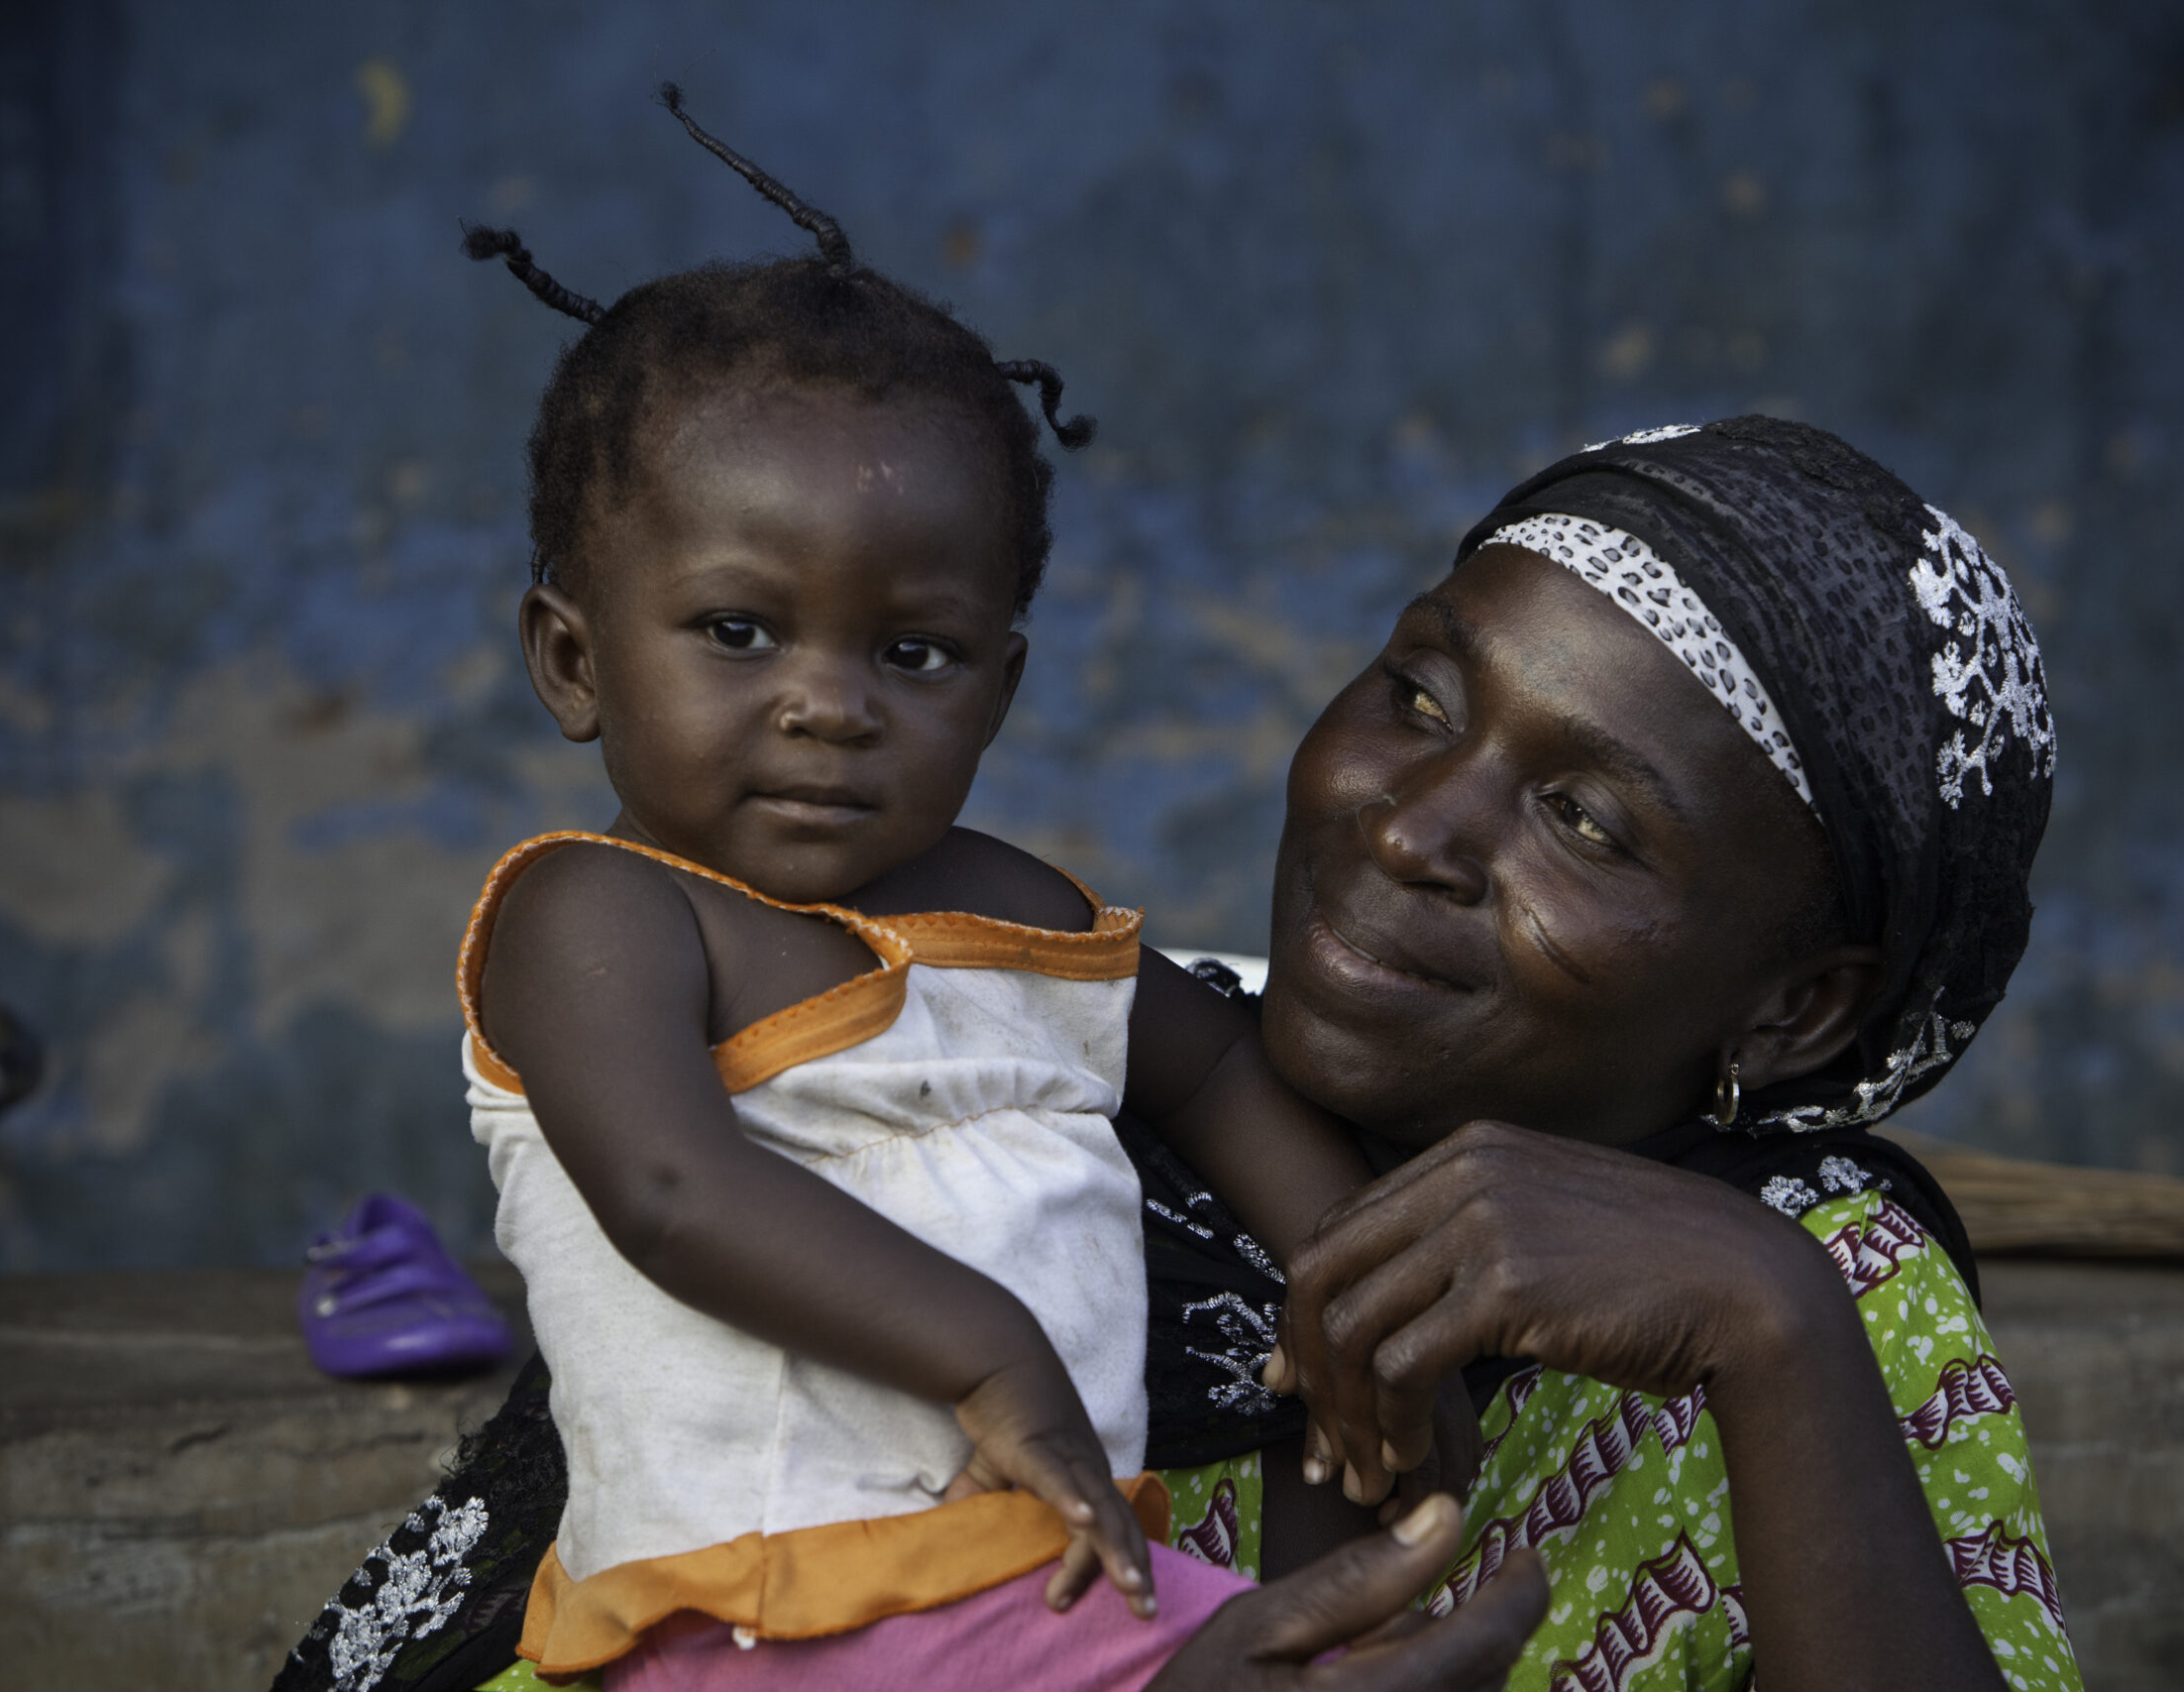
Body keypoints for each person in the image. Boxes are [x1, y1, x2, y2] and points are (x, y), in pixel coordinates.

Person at [425, 95, 1442, 1692]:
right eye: (739, 632)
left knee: (1332, 1637)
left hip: (1026, 1586)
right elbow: (671, 1193)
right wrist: (993, 1354)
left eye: (913, 654)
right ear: (574, 660)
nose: (832, 705)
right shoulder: (595, 913)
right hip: (759, 1609)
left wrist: (1356, 1294)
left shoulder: (1015, 911)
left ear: (1000, 687)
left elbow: (1224, 1063)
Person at [1145, 415, 2079, 1692]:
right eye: (1421, 697)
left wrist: (1771, 1330)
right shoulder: (1046, 1092)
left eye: (1584, 821)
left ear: (1794, 1012)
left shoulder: (1829, 1286)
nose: (1414, 831)